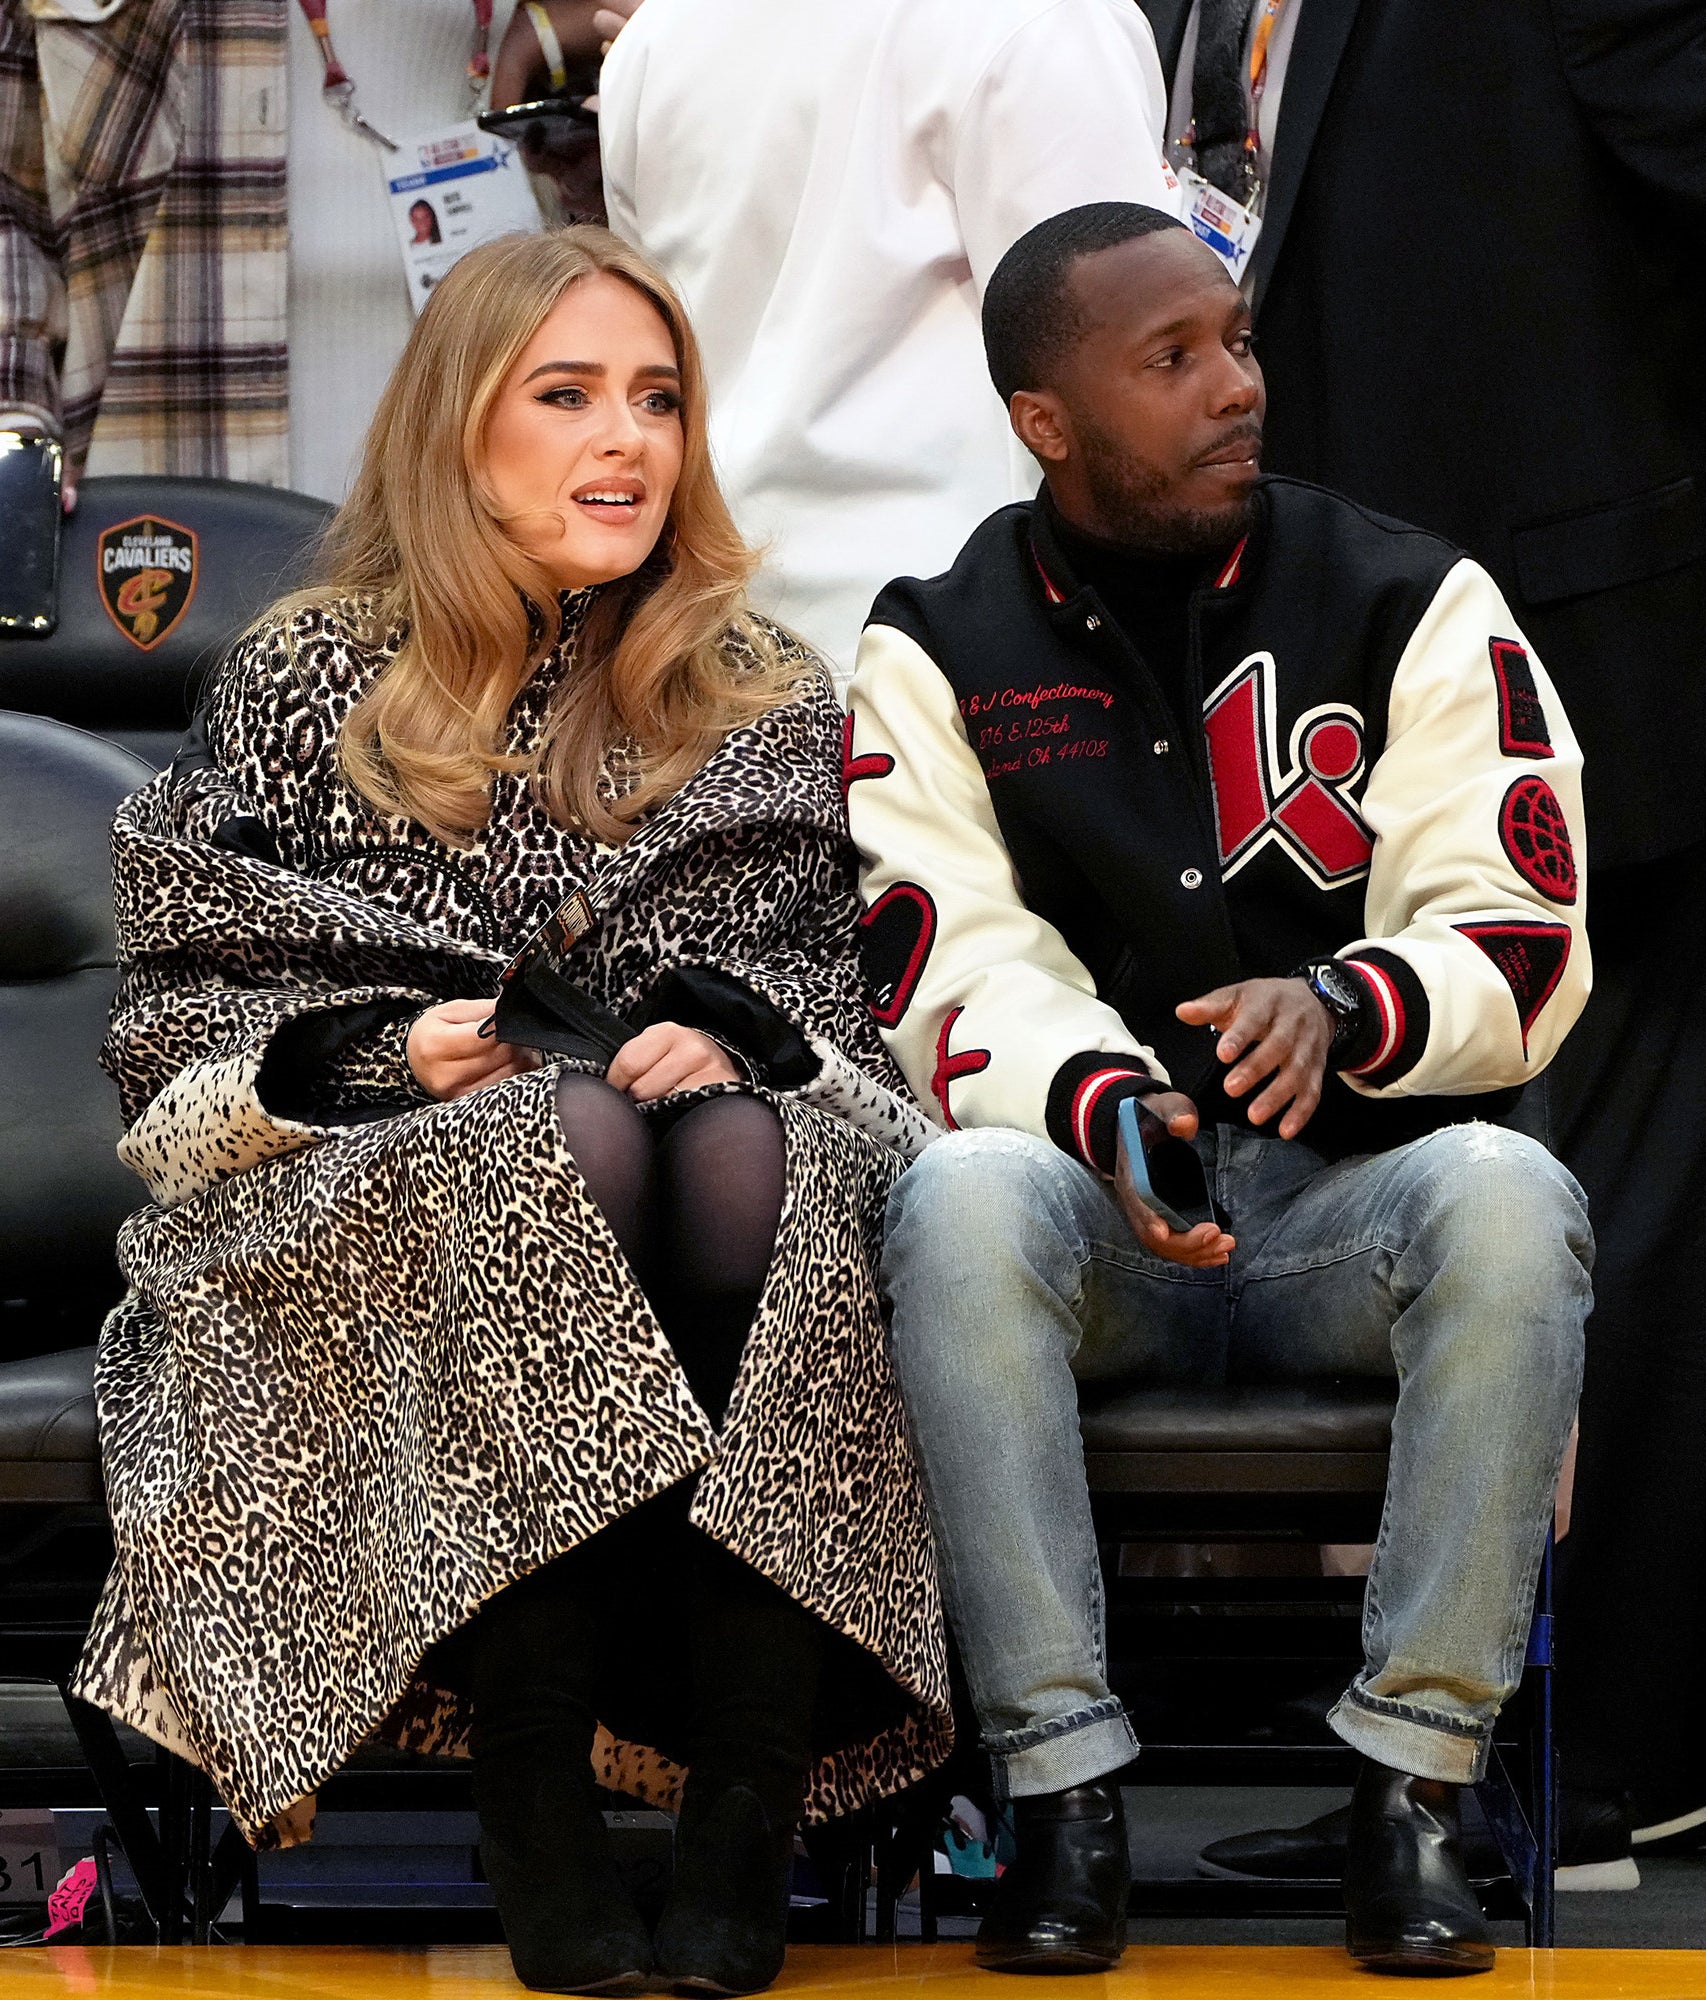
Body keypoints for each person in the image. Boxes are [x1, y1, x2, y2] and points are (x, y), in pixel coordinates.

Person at [72, 226, 948, 1998]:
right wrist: (399, 1057)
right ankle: (531, 1797)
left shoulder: (762, 691)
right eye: (565, 398)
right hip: (356, 1216)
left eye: (656, 400)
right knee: (548, 1140)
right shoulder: (309, 681)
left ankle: (748, 1810)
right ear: (456, 431)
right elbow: (170, 1088)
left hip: (730, 1204)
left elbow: (866, 1043)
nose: (626, 442)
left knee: (747, 1147)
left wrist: (751, 1043)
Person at [848, 204, 1592, 1977]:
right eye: (1169, 361)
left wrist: (1349, 1002)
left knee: (1510, 1197)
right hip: (1098, 1225)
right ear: (1043, 416)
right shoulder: (932, 639)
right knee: (951, 1196)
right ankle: (1057, 1791)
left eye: (1235, 343)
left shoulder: (1409, 595)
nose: (1232, 388)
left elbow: (1526, 917)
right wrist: (1097, 1098)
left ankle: (1414, 1794)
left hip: (1351, 1215)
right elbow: (935, 951)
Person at [1140, 0, 1706, 1882]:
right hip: (1427, 697)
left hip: (1608, 675)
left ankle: (1565, 1765)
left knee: (1585, 1222)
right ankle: (1574, 1750)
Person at [596, 0, 1180, 689]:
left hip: (730, 651)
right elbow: (1134, 382)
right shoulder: (1036, 20)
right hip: (977, 672)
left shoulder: (658, 38)